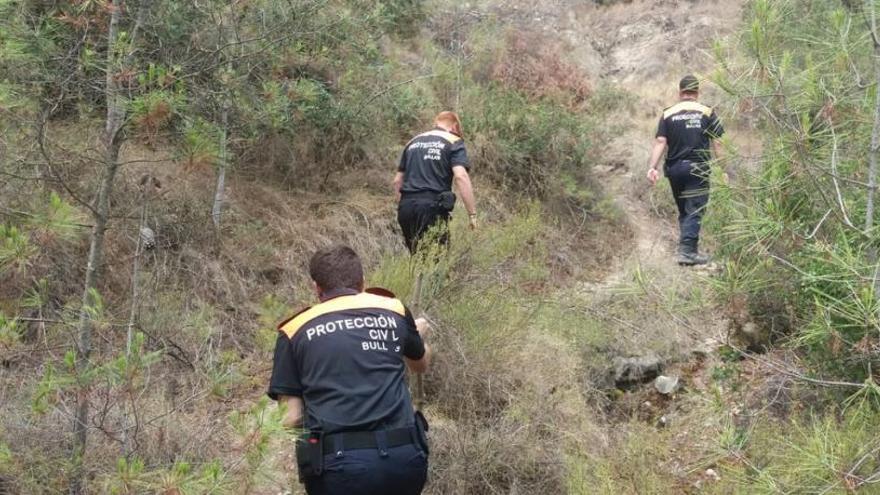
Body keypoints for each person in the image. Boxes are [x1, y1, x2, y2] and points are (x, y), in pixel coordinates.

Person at [268, 245, 432, 495]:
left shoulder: (294, 330)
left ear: (317, 288)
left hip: (340, 468)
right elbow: (420, 364)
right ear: (363, 282)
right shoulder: (394, 309)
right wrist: (416, 336)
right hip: (405, 458)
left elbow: (292, 418)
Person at [646, 75, 725, 266]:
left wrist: (652, 167)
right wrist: (724, 168)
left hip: (674, 170)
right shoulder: (707, 112)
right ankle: (687, 253)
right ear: (697, 92)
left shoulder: (668, 113)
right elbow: (718, 141)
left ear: (680, 92)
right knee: (695, 209)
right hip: (698, 168)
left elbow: (660, 141)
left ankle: (687, 249)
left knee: (684, 210)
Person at [393, 111, 477, 254]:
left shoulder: (413, 142)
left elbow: (397, 181)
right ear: (455, 127)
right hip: (431, 209)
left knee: (417, 261)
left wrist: (404, 205)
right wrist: (472, 215)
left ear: (436, 123)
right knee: (437, 264)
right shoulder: (453, 141)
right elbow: (461, 176)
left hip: (406, 209)